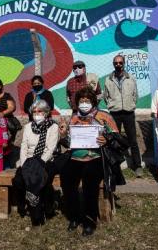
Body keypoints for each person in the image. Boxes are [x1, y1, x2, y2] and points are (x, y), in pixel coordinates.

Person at [60, 86, 119, 237]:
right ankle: (74, 216)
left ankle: (89, 220)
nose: (84, 103)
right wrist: (63, 135)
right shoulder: (74, 118)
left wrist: (107, 139)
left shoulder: (104, 116)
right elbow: (69, 143)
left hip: (97, 157)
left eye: (87, 100)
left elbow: (118, 138)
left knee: (89, 180)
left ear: (93, 101)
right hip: (76, 157)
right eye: (81, 101)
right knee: (66, 178)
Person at [12, 99, 60, 225]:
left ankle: (42, 212)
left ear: (46, 112)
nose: (37, 114)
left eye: (40, 111)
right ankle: (23, 206)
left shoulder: (53, 127)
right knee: (18, 180)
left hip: (45, 160)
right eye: (34, 112)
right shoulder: (28, 127)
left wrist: (39, 164)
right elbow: (24, 146)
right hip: (28, 160)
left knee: (39, 180)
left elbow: (51, 148)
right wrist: (23, 164)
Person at [103, 54, 142, 177]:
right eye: (116, 63)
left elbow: (135, 94)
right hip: (115, 113)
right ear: (113, 64)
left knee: (133, 140)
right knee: (114, 139)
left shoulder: (131, 78)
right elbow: (106, 96)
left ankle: (138, 166)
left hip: (129, 113)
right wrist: (111, 105)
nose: (118, 65)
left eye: (120, 63)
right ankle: (115, 166)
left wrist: (131, 105)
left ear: (124, 63)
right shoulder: (108, 79)